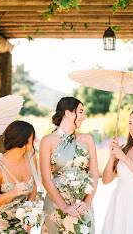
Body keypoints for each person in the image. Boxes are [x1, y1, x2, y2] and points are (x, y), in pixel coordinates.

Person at [39, 97, 98, 234]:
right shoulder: (47, 141)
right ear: (68, 113)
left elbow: (94, 174)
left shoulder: (88, 140)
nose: (84, 116)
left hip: (81, 207)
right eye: (81, 111)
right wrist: (65, 207)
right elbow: (46, 179)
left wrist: (87, 203)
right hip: (55, 207)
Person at [0, 120, 41, 233]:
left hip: (20, 223)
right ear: (23, 141)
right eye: (33, 137)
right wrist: (13, 192)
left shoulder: (31, 158)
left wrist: (28, 212)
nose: (36, 140)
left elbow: (35, 186)